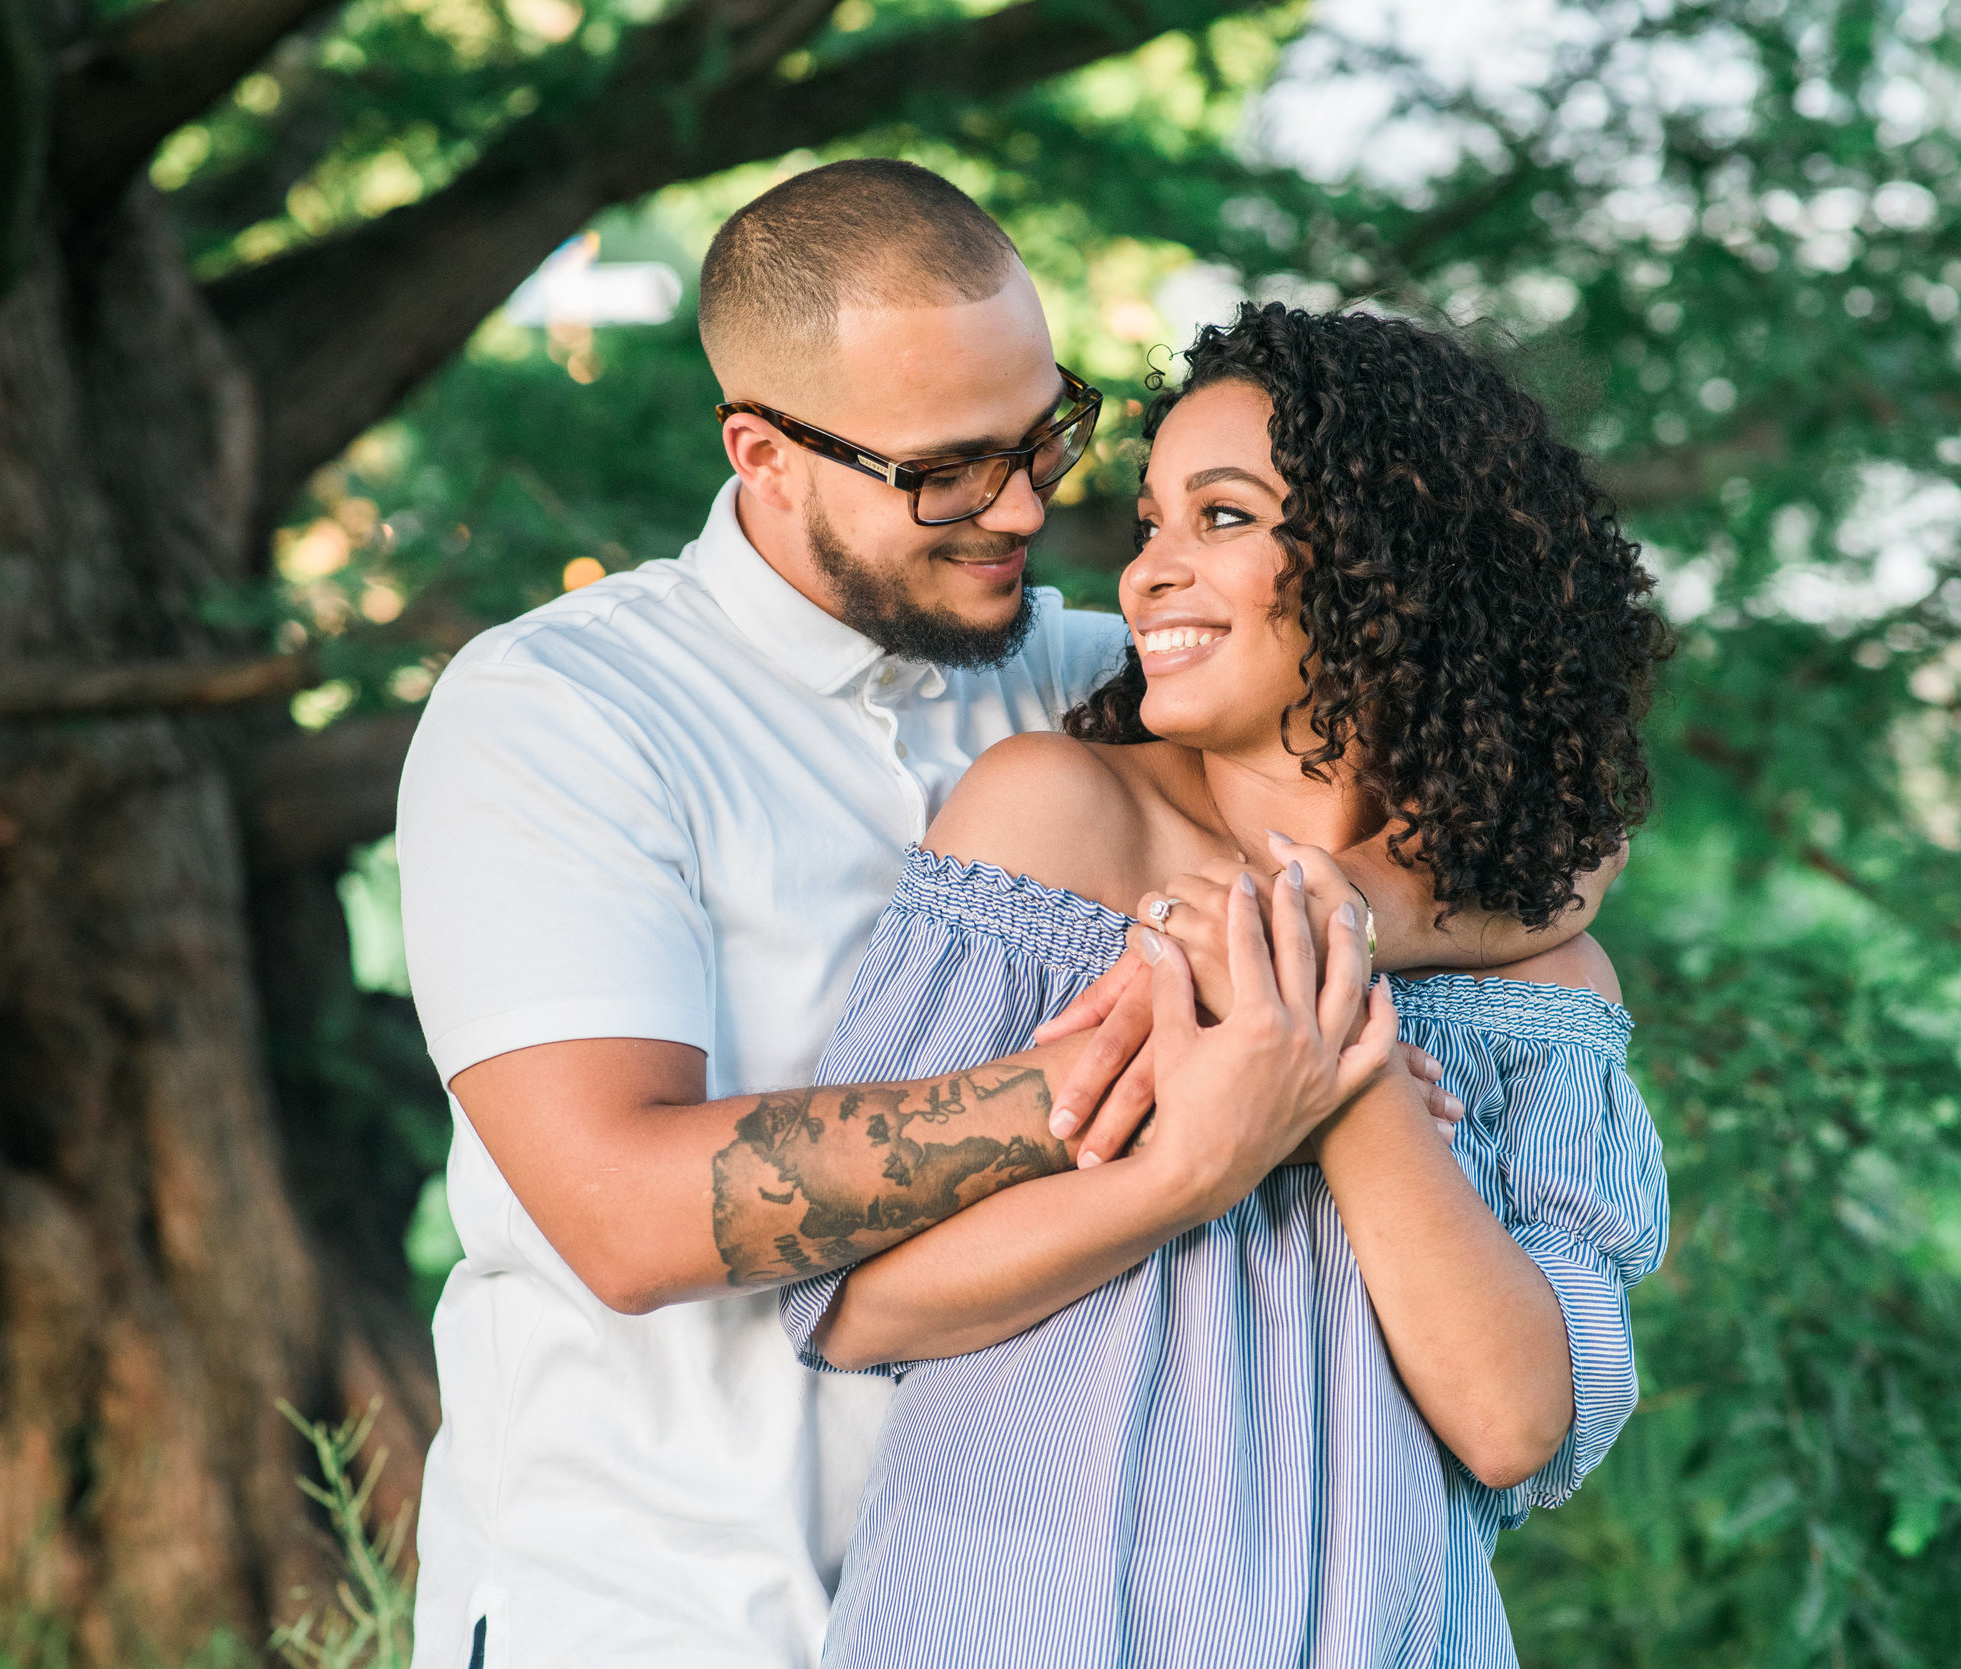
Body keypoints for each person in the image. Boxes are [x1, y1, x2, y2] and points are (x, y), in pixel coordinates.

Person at [397, 163, 1616, 1669]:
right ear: (766, 456)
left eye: (1048, 433)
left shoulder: (1096, 669)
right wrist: (1178, 1092)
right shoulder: (570, 714)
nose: (1029, 505)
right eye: (953, 469)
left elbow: (1537, 824)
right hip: (666, 1606)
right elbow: (628, 1216)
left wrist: (1296, 946)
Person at [778, 304, 1674, 1666]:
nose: (1149, 577)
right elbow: (852, 1301)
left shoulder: (1538, 961)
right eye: (1149, 526)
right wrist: (1185, 1163)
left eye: (1223, 518)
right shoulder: (1058, 824)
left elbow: (1513, 1422)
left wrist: (1337, 1058)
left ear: (1400, 556)